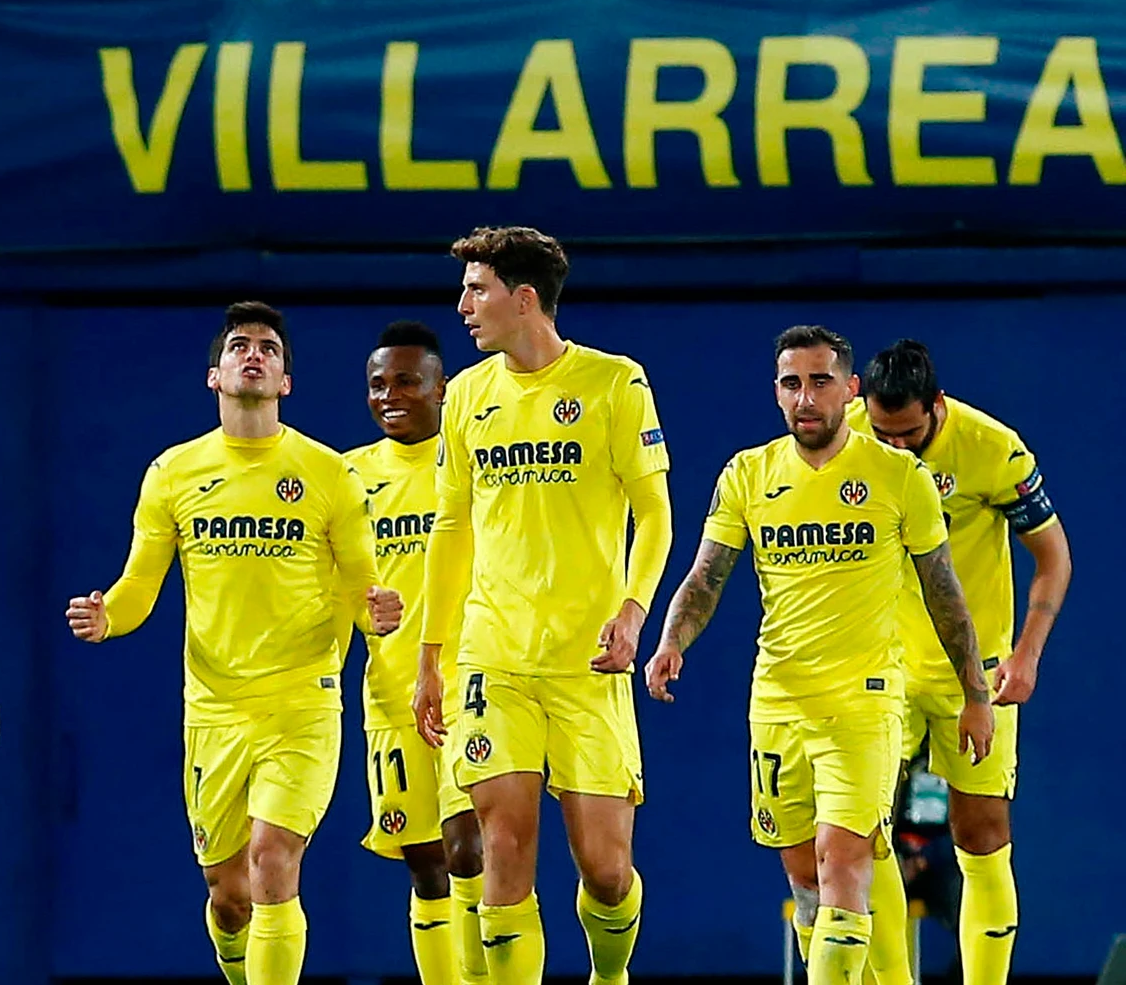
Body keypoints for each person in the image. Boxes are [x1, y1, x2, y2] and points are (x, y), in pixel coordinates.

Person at [645, 325, 994, 985]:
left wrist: (976, 695)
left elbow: (945, 593)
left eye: (820, 380)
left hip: (864, 700)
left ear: (850, 390)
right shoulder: (748, 474)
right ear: (776, 392)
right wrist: (671, 639)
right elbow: (707, 575)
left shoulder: (899, 476)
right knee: (805, 873)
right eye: (791, 383)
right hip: (778, 700)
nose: (806, 397)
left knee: (844, 861)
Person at [65, 301, 401, 985]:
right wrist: (110, 615)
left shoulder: (327, 473)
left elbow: (364, 585)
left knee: (273, 858)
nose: (254, 354)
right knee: (229, 894)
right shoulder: (173, 473)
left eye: (269, 349)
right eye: (240, 346)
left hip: (302, 700)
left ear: (285, 382)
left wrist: (379, 612)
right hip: (215, 710)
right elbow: (138, 586)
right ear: (213, 376)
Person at [412, 226, 672, 985]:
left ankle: (610, 973)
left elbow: (654, 513)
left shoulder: (615, 384)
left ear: (524, 299)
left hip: (587, 658)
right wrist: (432, 657)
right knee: (504, 842)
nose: (463, 304)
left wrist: (633, 610)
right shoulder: (464, 396)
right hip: (495, 655)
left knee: (606, 869)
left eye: (478, 289)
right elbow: (451, 529)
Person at [853, 339, 1071, 985]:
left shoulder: (992, 448)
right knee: (860, 832)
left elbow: (1054, 557)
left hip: (972, 674)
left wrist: (1026, 654)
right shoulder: (847, 445)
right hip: (881, 668)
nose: (895, 448)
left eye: (910, 434)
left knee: (979, 833)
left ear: (937, 408)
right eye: (882, 432)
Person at [344, 321, 485, 984]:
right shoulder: (345, 477)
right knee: (426, 859)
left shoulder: (472, 464)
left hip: (474, 684)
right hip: (391, 695)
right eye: (378, 384)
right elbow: (319, 584)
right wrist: (356, 608)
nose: (390, 394)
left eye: (405, 380)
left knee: (469, 847)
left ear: (442, 388)